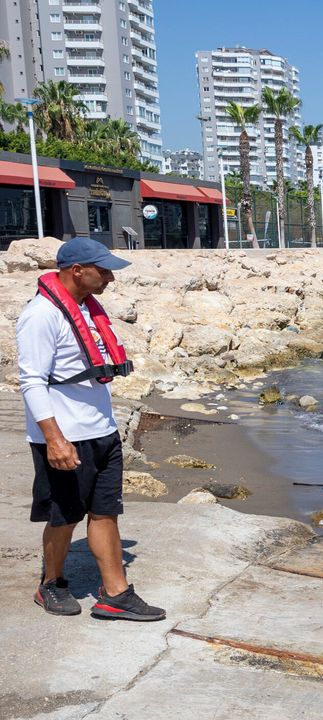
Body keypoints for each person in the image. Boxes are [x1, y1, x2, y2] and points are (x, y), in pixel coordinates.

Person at [17, 237, 164, 620]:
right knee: (65, 516)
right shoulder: (41, 315)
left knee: (105, 513)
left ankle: (116, 593)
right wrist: (54, 439)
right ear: (77, 270)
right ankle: (51, 584)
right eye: (104, 270)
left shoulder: (86, 309)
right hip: (65, 436)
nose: (111, 278)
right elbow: (31, 381)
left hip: (102, 432)